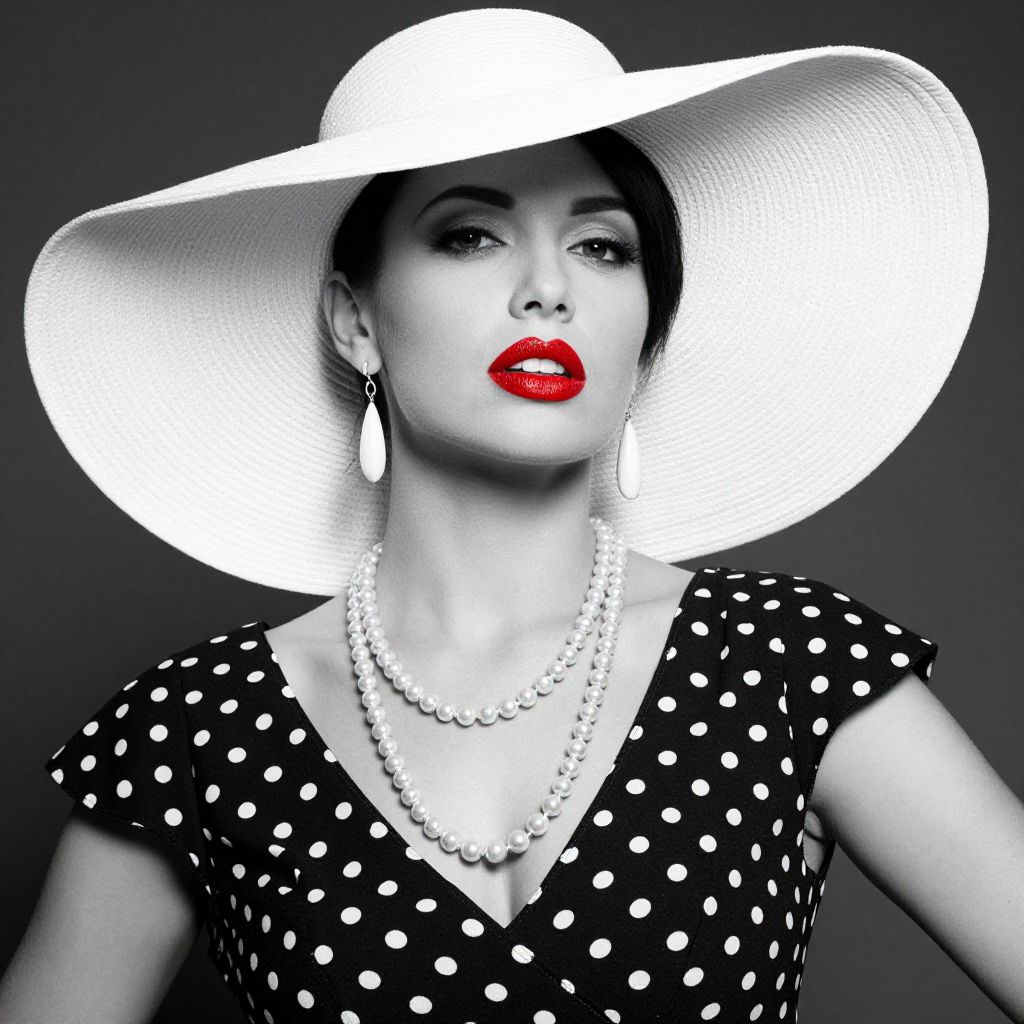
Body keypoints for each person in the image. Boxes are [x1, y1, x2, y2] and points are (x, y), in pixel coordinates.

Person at [3, 8, 1021, 1024]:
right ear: (355, 320)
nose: (547, 289)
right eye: (470, 235)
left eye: (602, 247)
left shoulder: (789, 663)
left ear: (648, 337)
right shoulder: (194, 733)